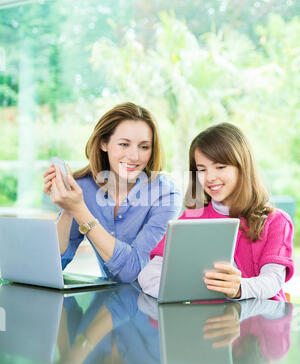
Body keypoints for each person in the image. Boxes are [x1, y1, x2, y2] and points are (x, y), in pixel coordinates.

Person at [138, 122, 294, 301]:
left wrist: (239, 288)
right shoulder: (190, 219)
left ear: (242, 167)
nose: (210, 177)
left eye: (220, 167)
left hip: (260, 324)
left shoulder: (276, 221)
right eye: (202, 169)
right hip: (208, 324)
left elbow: (272, 281)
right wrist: (185, 292)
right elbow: (149, 275)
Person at [43, 102, 181, 282]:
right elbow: (54, 264)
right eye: (124, 144)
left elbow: (135, 270)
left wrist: (79, 209)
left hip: (157, 302)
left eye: (144, 147)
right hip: (111, 302)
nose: (134, 156)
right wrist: (68, 209)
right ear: (103, 143)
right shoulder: (84, 188)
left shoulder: (165, 195)